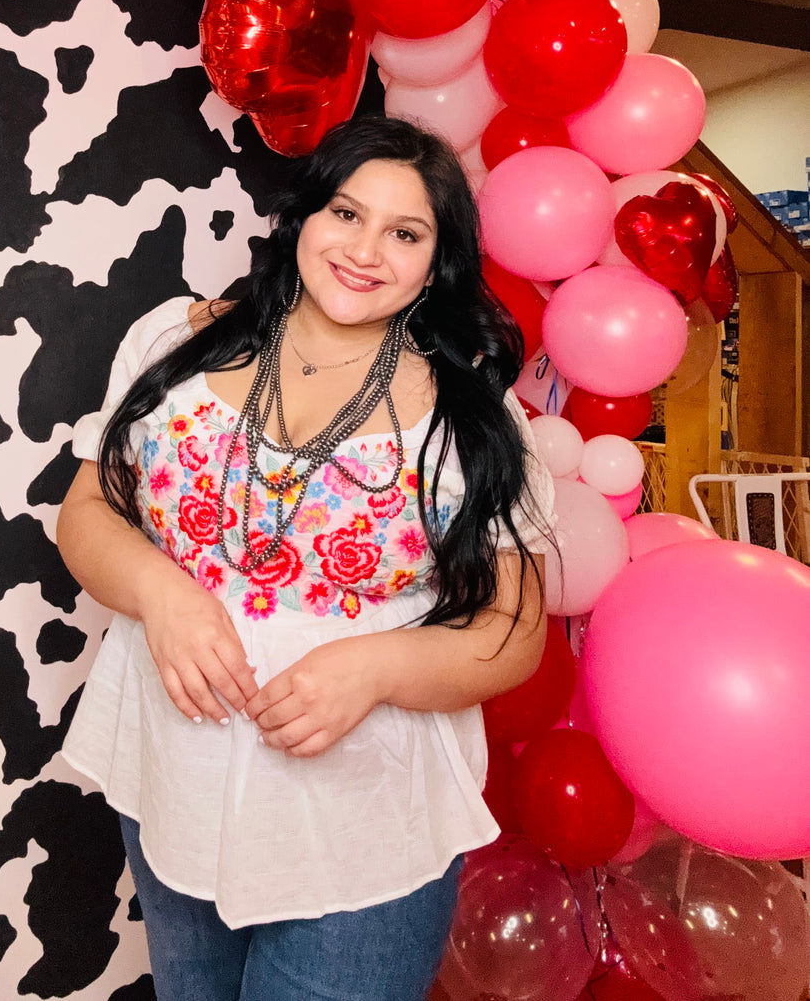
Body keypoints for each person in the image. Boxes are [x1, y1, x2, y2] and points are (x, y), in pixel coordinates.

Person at [57, 114, 555, 1001]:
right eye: (345, 213)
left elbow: (513, 634)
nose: (365, 250)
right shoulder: (174, 343)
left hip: (363, 822)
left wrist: (377, 665)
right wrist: (160, 592)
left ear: (437, 259)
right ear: (303, 218)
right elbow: (87, 511)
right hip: (173, 777)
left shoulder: (475, 420)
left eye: (404, 233)